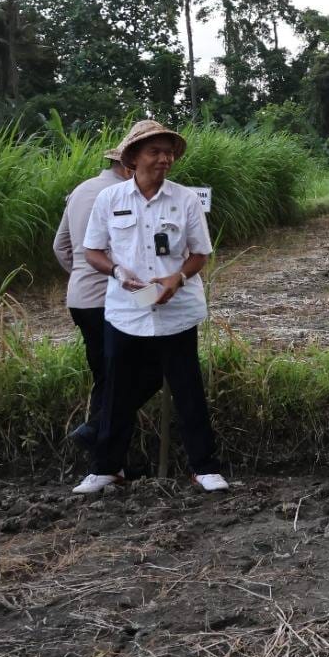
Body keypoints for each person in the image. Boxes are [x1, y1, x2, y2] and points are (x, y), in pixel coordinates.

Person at [74, 120, 223, 494]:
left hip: (177, 311)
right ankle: (105, 468)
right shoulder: (110, 200)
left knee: (188, 389)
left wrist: (179, 278)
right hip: (126, 310)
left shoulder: (184, 199)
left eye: (168, 152)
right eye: (155, 152)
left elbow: (201, 253)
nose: (164, 159)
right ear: (133, 159)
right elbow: (92, 251)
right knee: (117, 391)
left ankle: (204, 467)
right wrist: (117, 271)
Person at [53, 143, 132, 447]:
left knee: (105, 377)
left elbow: (60, 246)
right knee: (131, 375)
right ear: (127, 167)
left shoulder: (80, 190)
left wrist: (81, 274)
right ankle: (97, 432)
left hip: (79, 299)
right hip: (111, 301)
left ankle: (106, 462)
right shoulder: (123, 195)